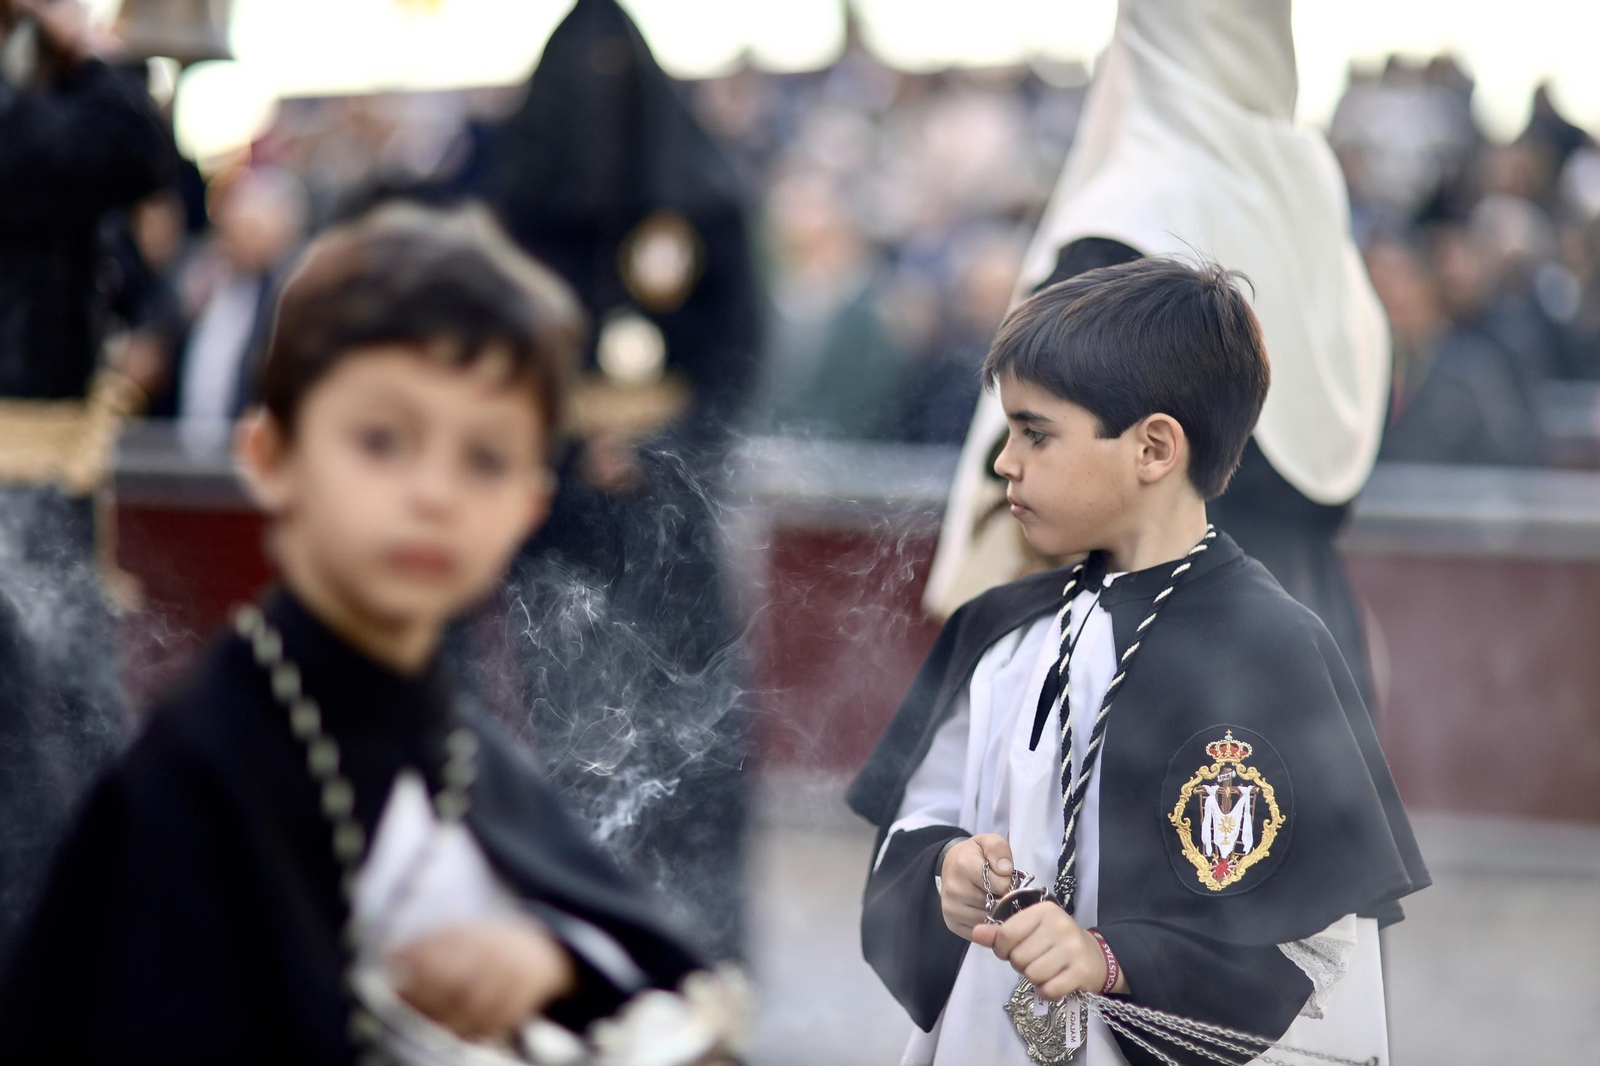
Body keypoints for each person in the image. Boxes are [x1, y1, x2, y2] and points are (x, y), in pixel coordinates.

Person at [0, 207, 743, 1065]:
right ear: (270, 455)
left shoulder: (468, 757)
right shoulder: (196, 782)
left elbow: (680, 1006)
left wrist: (553, 967)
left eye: (485, 459)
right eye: (382, 441)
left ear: (527, 505)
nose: (433, 493)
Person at [848, 259, 1428, 1066]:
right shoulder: (1001, 631)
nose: (1004, 461)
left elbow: (1311, 949)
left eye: (1035, 433)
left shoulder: (1270, 650)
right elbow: (913, 828)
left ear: (1153, 448)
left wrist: (1111, 959)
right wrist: (947, 870)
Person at [924, 0, 1389, 709]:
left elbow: (1046, 473)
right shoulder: (1312, 201)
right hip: (1309, 633)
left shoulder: (1127, 218)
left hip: (1156, 648)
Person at [0, 0, 169, 964]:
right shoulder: (28, 111)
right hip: (16, 480)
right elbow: (132, 150)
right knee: (39, 736)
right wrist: (81, 47)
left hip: (37, 472)